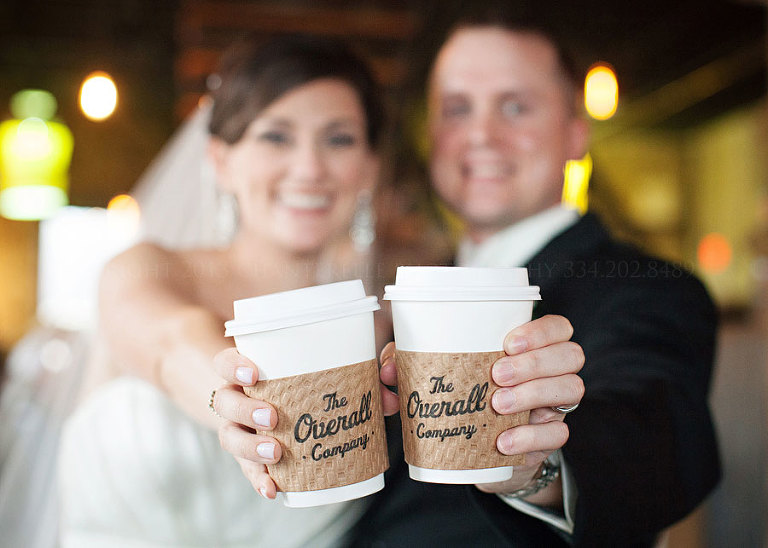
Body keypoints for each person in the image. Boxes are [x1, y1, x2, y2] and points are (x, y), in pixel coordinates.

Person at [214, 11, 720, 548]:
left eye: (515, 107)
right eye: (457, 109)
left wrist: (538, 467)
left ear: (576, 133)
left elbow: (655, 439)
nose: (481, 134)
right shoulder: (400, 291)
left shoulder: (647, 289)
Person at [57, 34, 398, 547]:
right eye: (276, 137)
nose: (309, 168)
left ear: (369, 167)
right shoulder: (146, 271)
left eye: (339, 139)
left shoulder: (378, 328)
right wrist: (235, 404)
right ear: (220, 160)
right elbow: (174, 341)